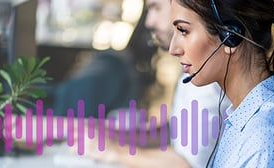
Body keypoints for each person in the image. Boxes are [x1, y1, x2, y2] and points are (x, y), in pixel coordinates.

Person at [168, 0, 274, 167]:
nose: (173, 49)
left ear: (230, 36)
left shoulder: (266, 140)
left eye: (183, 31)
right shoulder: (250, 117)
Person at [72, 0, 231, 167]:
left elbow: (187, 164)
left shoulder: (206, 77)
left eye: (156, 8)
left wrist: (114, 151)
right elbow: (176, 133)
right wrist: (113, 136)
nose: (149, 22)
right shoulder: (193, 67)